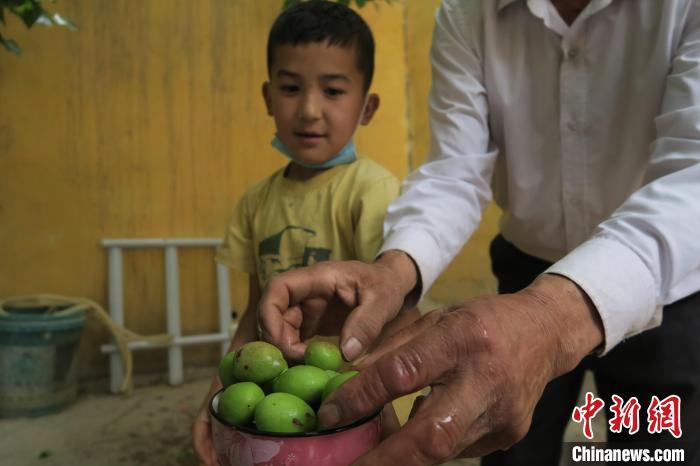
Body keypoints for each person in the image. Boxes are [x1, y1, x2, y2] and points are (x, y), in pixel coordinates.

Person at [259, 0, 700, 464]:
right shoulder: (468, 12)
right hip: (525, 277)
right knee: (511, 452)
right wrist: (395, 268)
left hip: (666, 291)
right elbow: (456, 170)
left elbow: (692, 176)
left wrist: (551, 317)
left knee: (658, 452)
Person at [191, 2, 418, 464]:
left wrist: (389, 407)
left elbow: (397, 316)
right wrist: (217, 399)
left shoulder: (373, 191)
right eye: (291, 88)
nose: (310, 110)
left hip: (359, 400)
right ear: (269, 97)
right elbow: (254, 314)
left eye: (333, 91)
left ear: (367, 106)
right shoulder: (256, 201)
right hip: (278, 412)